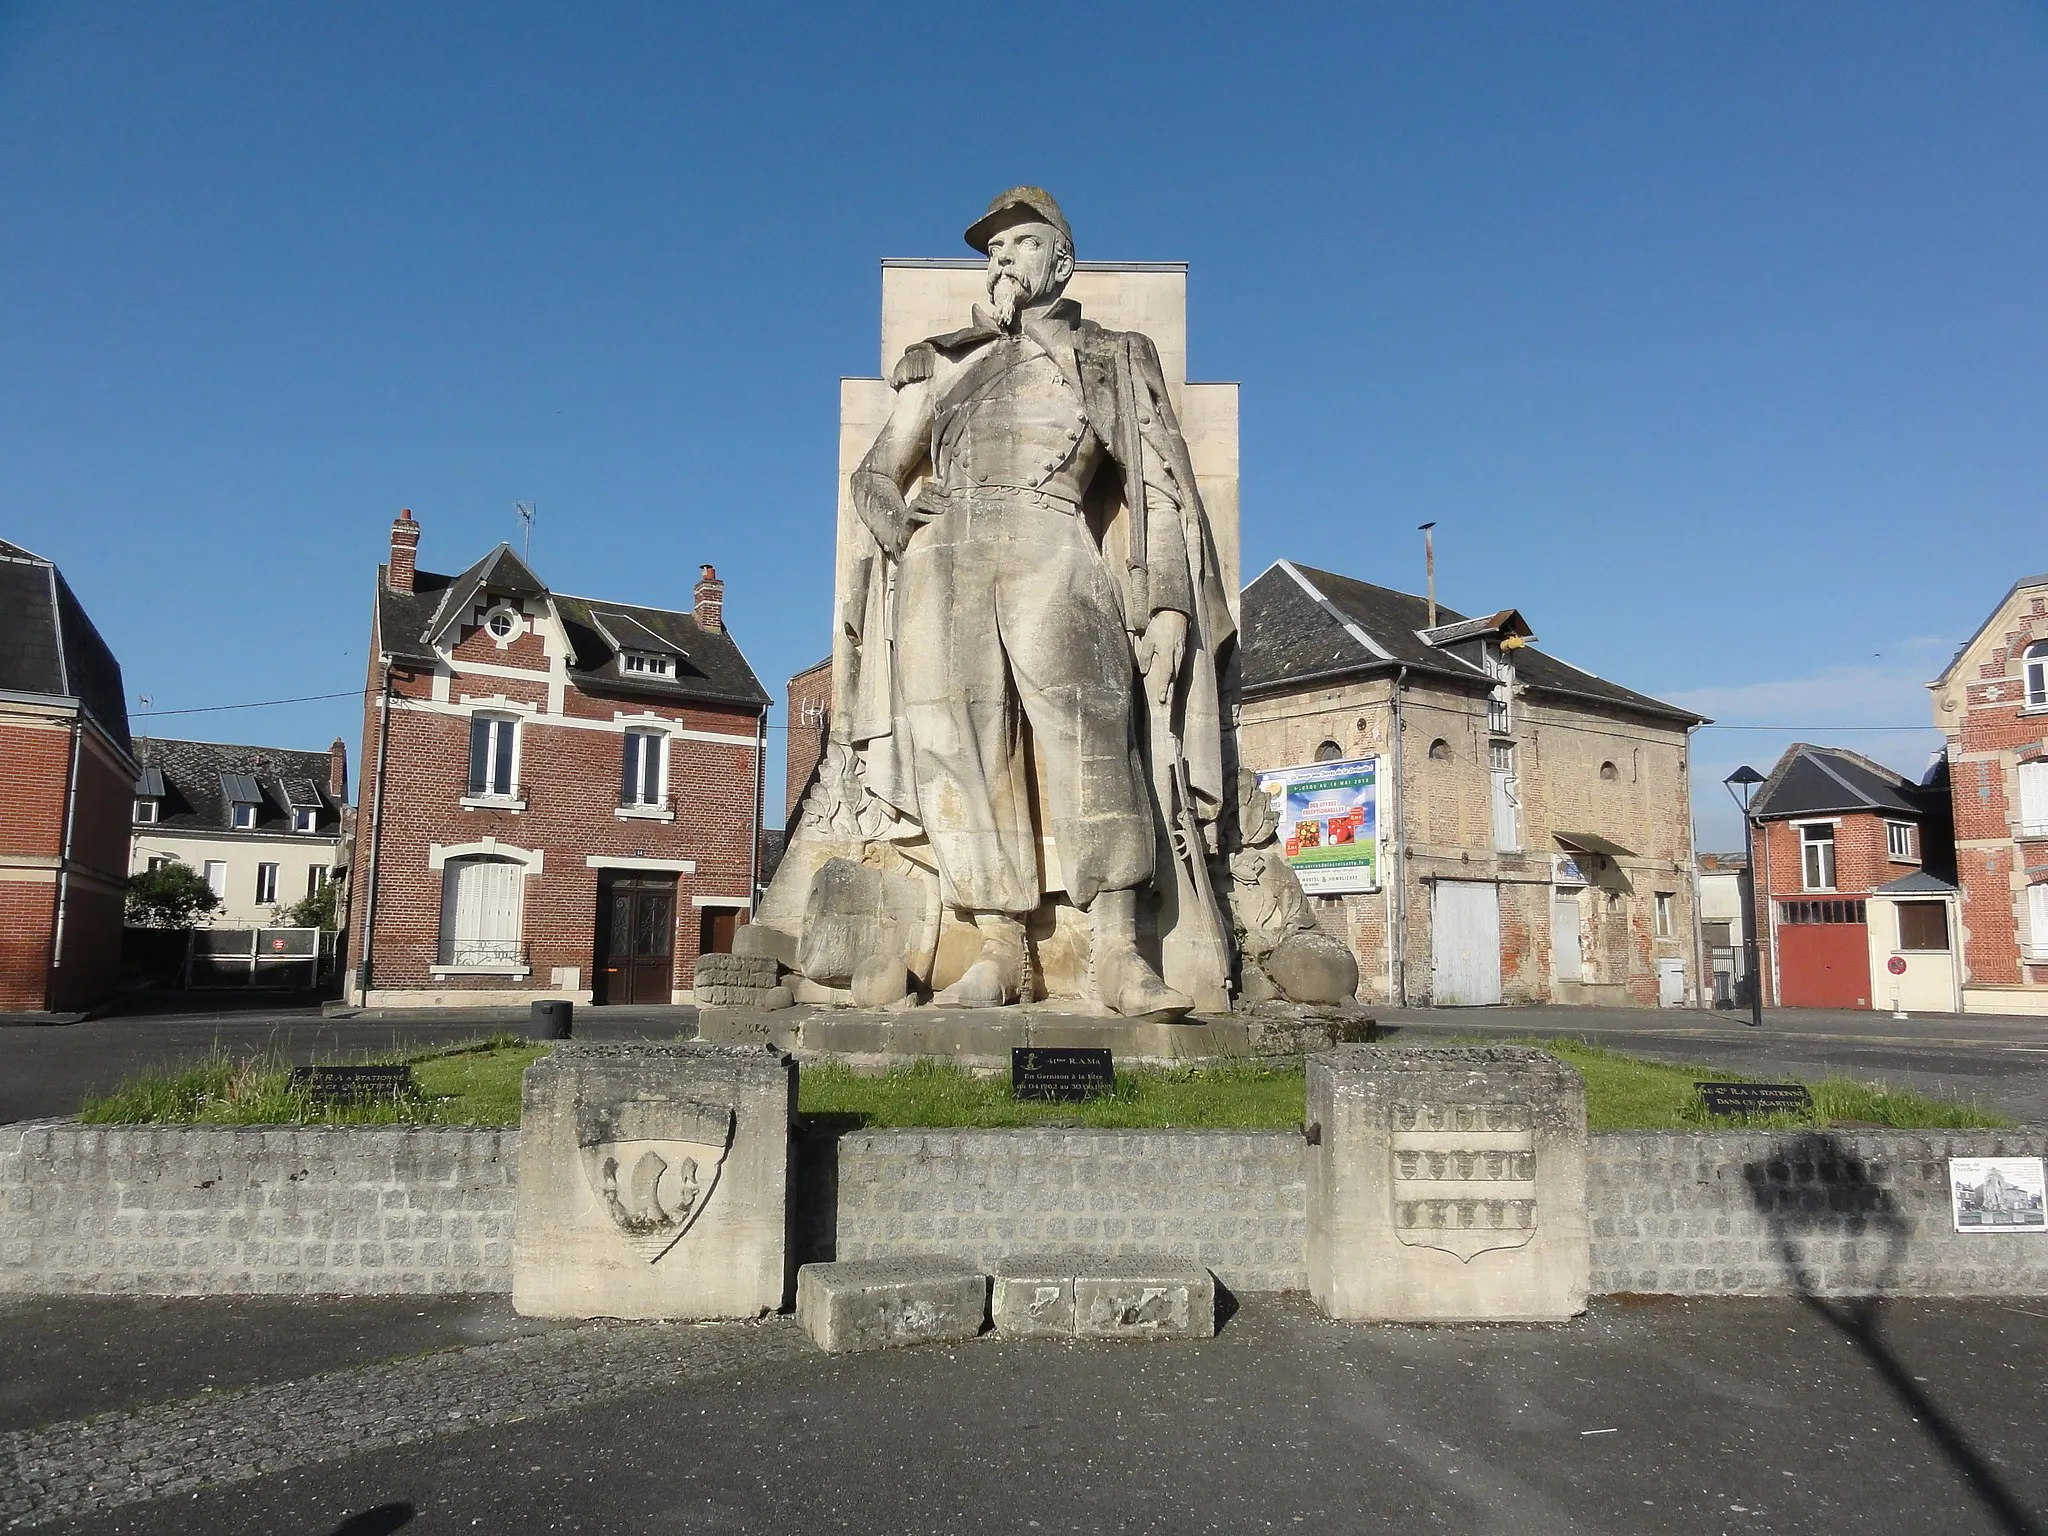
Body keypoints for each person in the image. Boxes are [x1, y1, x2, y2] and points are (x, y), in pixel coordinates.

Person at [840, 187, 1233, 1016]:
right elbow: (874, 473)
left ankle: (1122, 953)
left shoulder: (1114, 352)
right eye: (991, 250)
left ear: (1061, 259)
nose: (1001, 259)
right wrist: (897, 519)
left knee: (1092, 739)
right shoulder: (942, 363)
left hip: (1053, 543)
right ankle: (1001, 951)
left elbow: (1159, 482)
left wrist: (1167, 602)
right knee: (956, 752)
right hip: (941, 564)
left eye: (1018, 243)